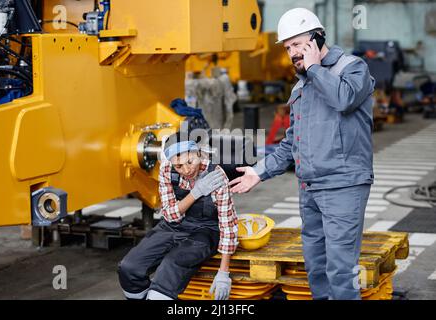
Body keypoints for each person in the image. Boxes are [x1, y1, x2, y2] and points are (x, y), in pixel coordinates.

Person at [229, 7, 375, 300]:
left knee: (340, 271)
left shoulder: (353, 69)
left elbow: (343, 99)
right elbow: (291, 142)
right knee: (316, 268)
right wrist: (260, 171)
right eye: (287, 48)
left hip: (343, 186)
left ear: (318, 38)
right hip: (309, 188)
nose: (293, 53)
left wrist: (313, 69)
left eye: (298, 44)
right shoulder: (301, 88)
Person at [118, 133, 238, 300]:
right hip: (173, 225)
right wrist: (195, 193)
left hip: (205, 231)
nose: (186, 170)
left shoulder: (216, 176)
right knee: (129, 268)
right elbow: (170, 214)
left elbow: (228, 226)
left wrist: (223, 273)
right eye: (179, 166)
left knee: (171, 265)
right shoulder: (167, 168)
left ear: (198, 153)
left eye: (190, 162)